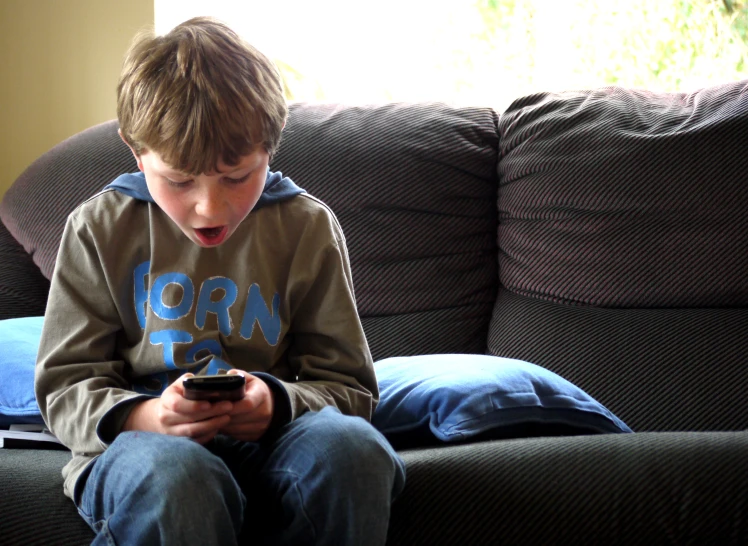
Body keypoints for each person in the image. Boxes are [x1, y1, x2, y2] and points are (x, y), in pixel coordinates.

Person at [34, 16, 405, 546]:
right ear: (136, 152)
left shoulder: (306, 227)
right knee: (178, 478)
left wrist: (275, 404)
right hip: (144, 451)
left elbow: (349, 388)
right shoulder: (98, 229)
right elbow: (65, 387)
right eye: (179, 180)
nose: (210, 207)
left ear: (271, 147)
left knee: (352, 450)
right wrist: (151, 415)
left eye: (237, 177)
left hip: (278, 443)